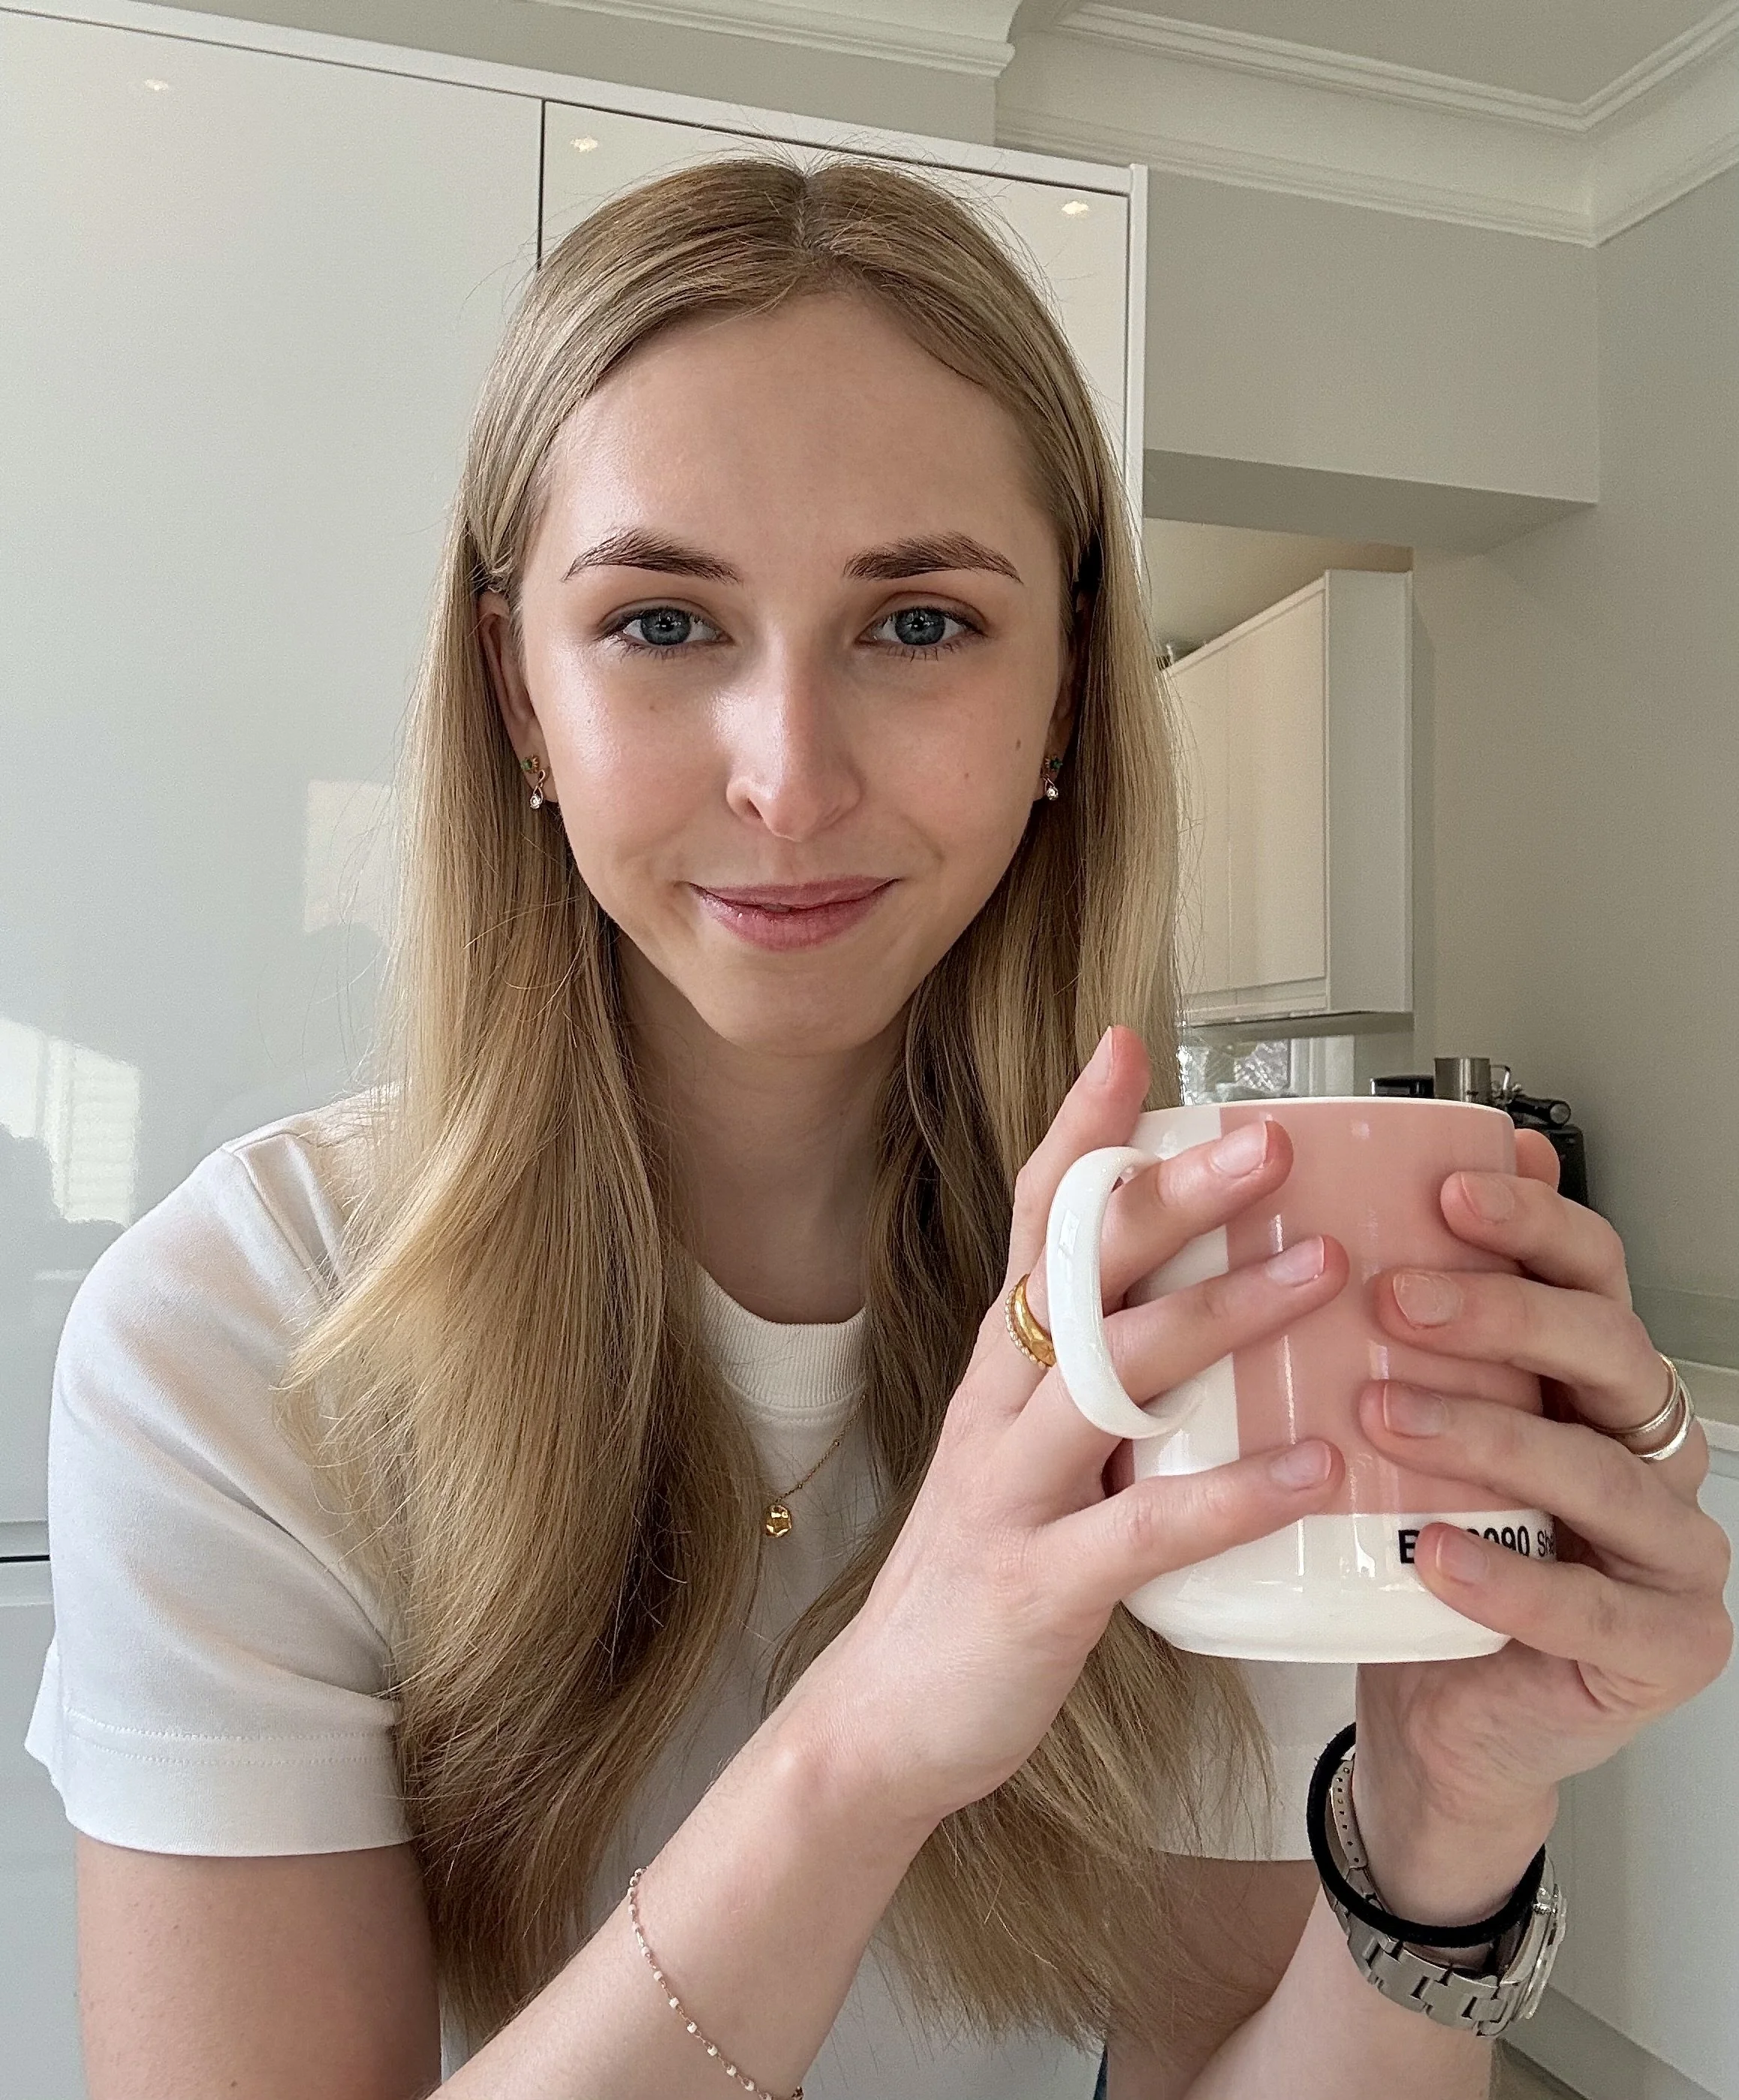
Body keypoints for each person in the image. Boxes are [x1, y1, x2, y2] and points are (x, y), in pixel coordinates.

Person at [26, 156, 1731, 2100]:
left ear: (1065, 687)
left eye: (916, 622)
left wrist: (1439, 1829)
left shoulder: (1185, 1311)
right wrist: (867, 1733)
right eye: (662, 622)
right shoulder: (236, 1333)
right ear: (518, 691)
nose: (787, 777)